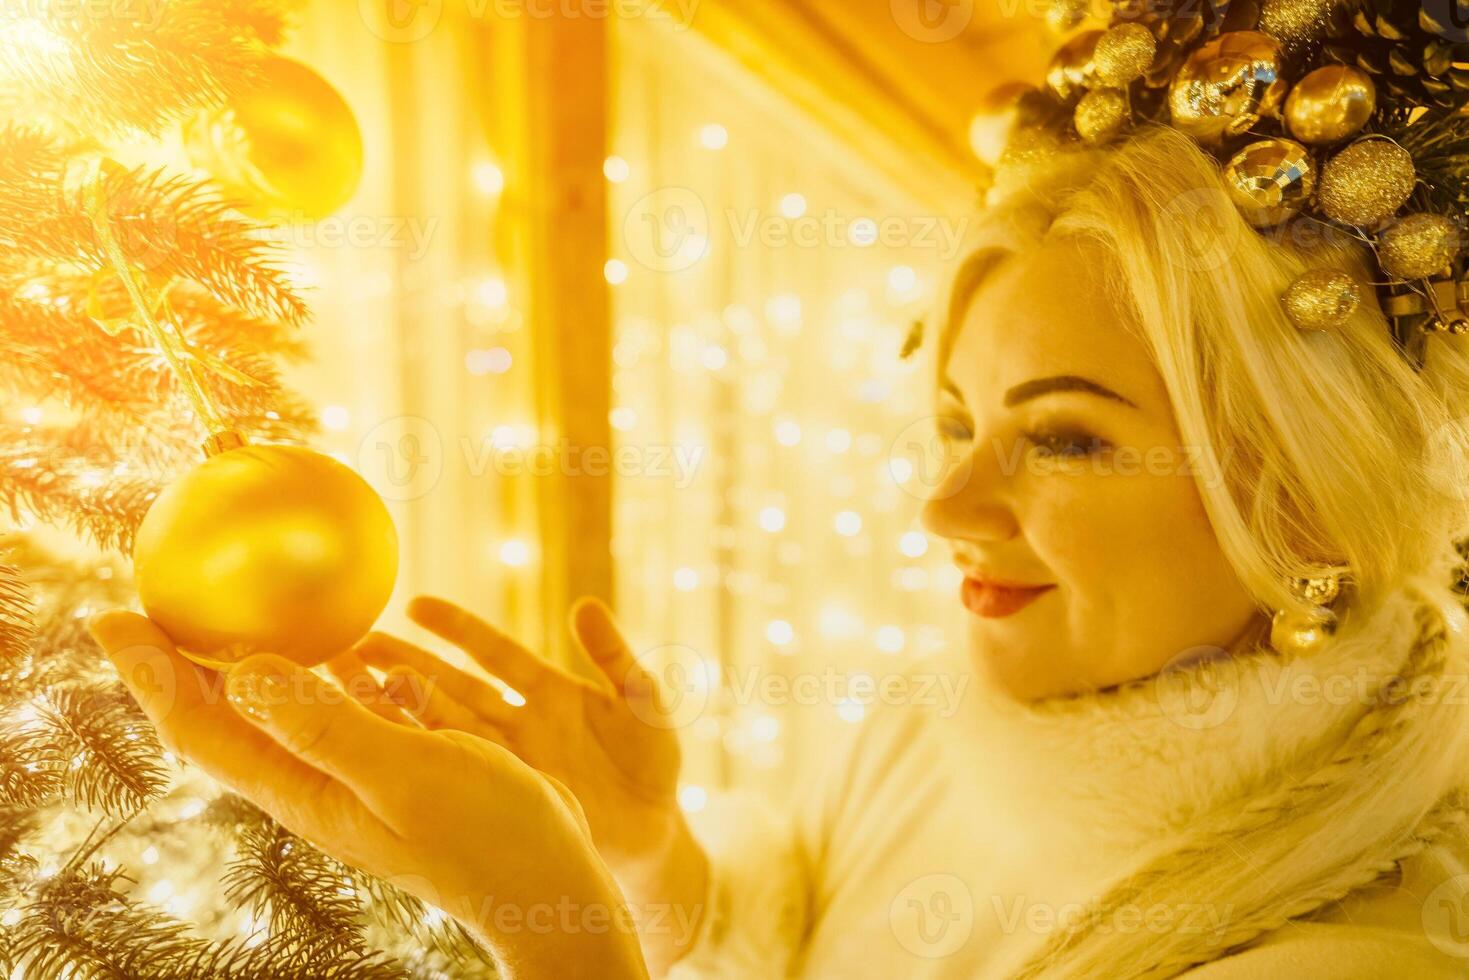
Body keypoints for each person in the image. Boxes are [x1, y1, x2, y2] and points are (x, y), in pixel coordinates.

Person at [91, 123, 1469, 978]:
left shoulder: (1357, 949)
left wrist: (556, 931)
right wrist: (650, 864)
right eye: (952, 423)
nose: (943, 511)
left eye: (1063, 440)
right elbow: (808, 934)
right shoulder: (957, 707)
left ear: (1298, 504)